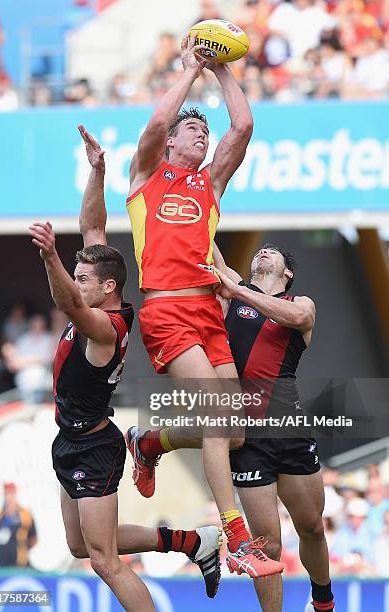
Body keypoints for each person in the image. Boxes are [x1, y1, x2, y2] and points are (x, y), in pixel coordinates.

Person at [28, 125, 223, 610]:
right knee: (82, 546)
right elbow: (93, 229)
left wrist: (51, 257)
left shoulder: (105, 327)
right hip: (69, 439)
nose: (76, 281)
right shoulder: (102, 294)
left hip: (94, 445)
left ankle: (194, 545)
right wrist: (98, 173)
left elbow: (70, 303)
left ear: (108, 288)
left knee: (105, 560)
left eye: (83, 278)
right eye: (74, 273)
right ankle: (192, 543)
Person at [125, 34, 283, 578]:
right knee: (219, 414)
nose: (202, 132)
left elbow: (242, 127)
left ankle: (150, 441)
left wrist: (224, 70)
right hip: (166, 311)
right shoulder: (148, 177)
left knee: (233, 431)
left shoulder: (209, 185)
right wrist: (189, 71)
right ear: (170, 143)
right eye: (192, 128)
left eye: (203, 128)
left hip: (207, 315)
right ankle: (236, 537)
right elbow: (153, 125)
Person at [211, 243, 335, 612]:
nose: (263, 251)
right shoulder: (235, 288)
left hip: (289, 427)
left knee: (311, 526)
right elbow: (205, 235)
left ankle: (323, 600)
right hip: (246, 435)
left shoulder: (302, 303)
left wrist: (237, 291)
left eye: (273, 252)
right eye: (260, 250)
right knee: (267, 546)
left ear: (287, 273)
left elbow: (298, 319)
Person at [0, 483, 37, 568]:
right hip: (2, 564)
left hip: (20, 564)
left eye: (11, 493)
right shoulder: (0, 517)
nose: (9, 497)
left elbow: (34, 538)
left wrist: (22, 548)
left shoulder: (25, 515)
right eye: (6, 493)